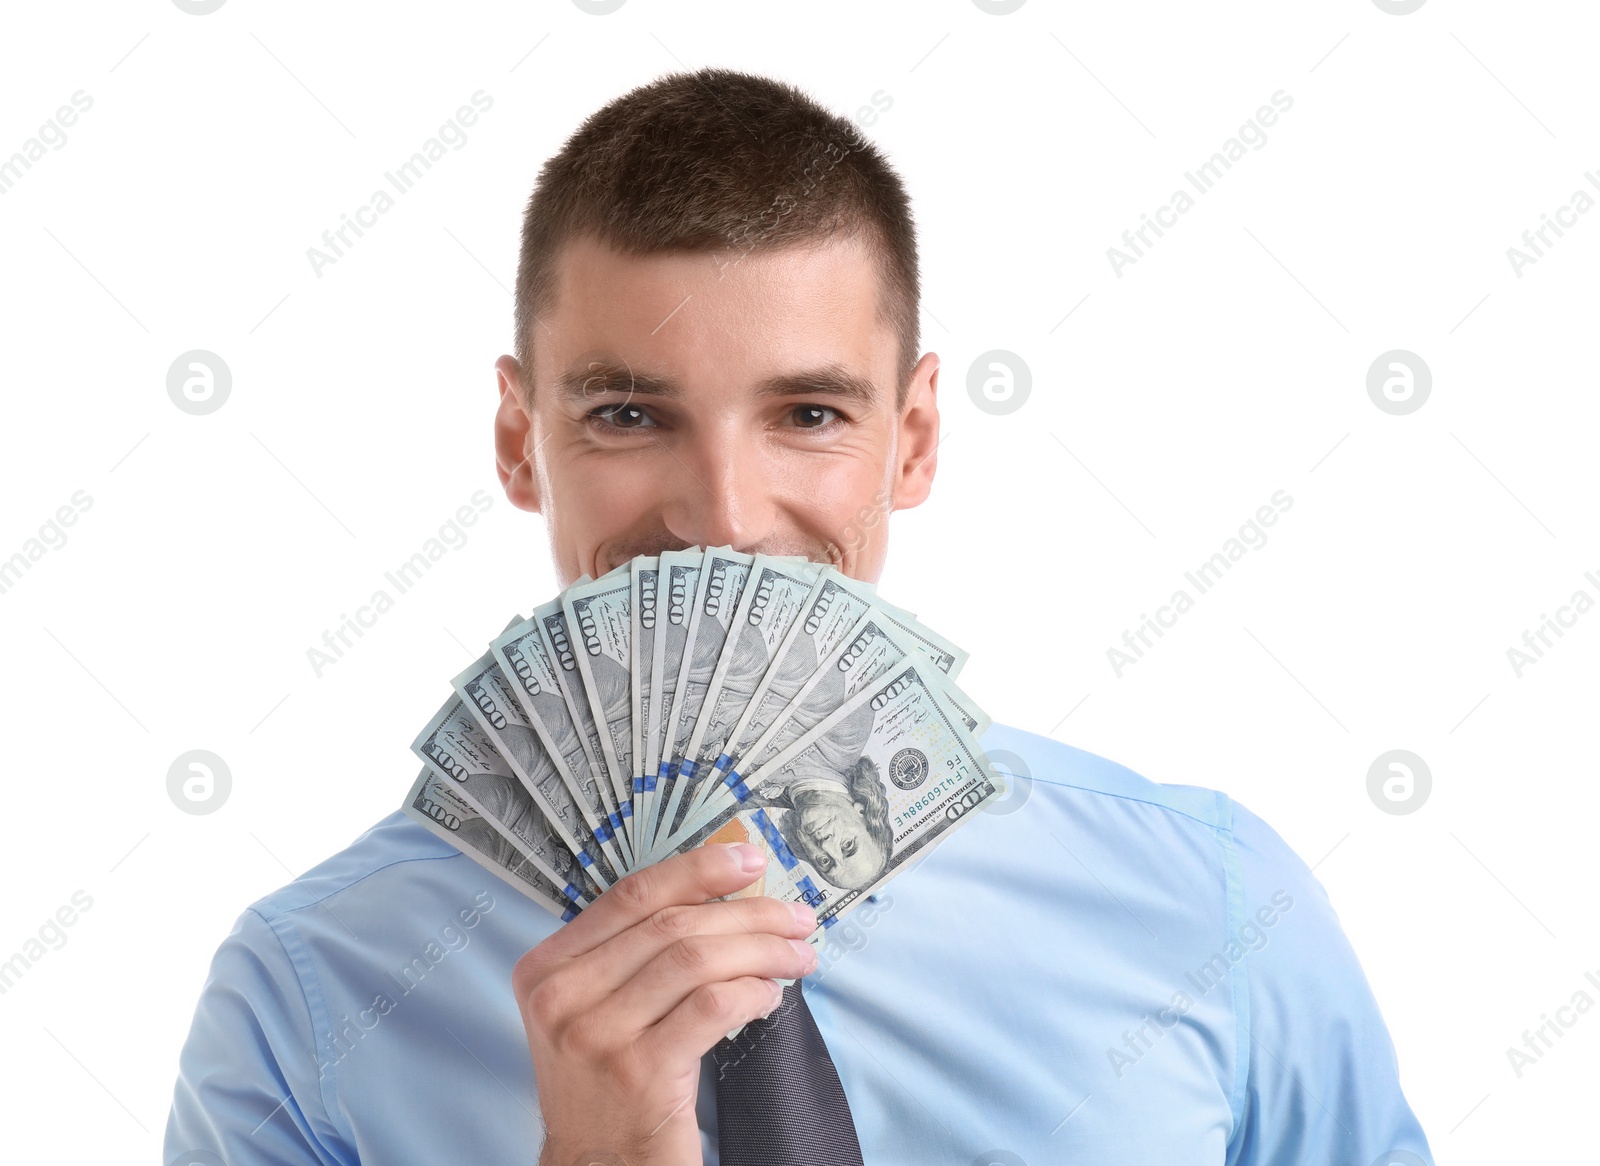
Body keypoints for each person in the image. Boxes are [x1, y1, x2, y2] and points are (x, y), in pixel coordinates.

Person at [165, 67, 1434, 1165]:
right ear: (519, 439)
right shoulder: (313, 994)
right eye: (627, 414)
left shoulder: (1212, 904)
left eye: (810, 415)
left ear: (914, 437)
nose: (723, 517)